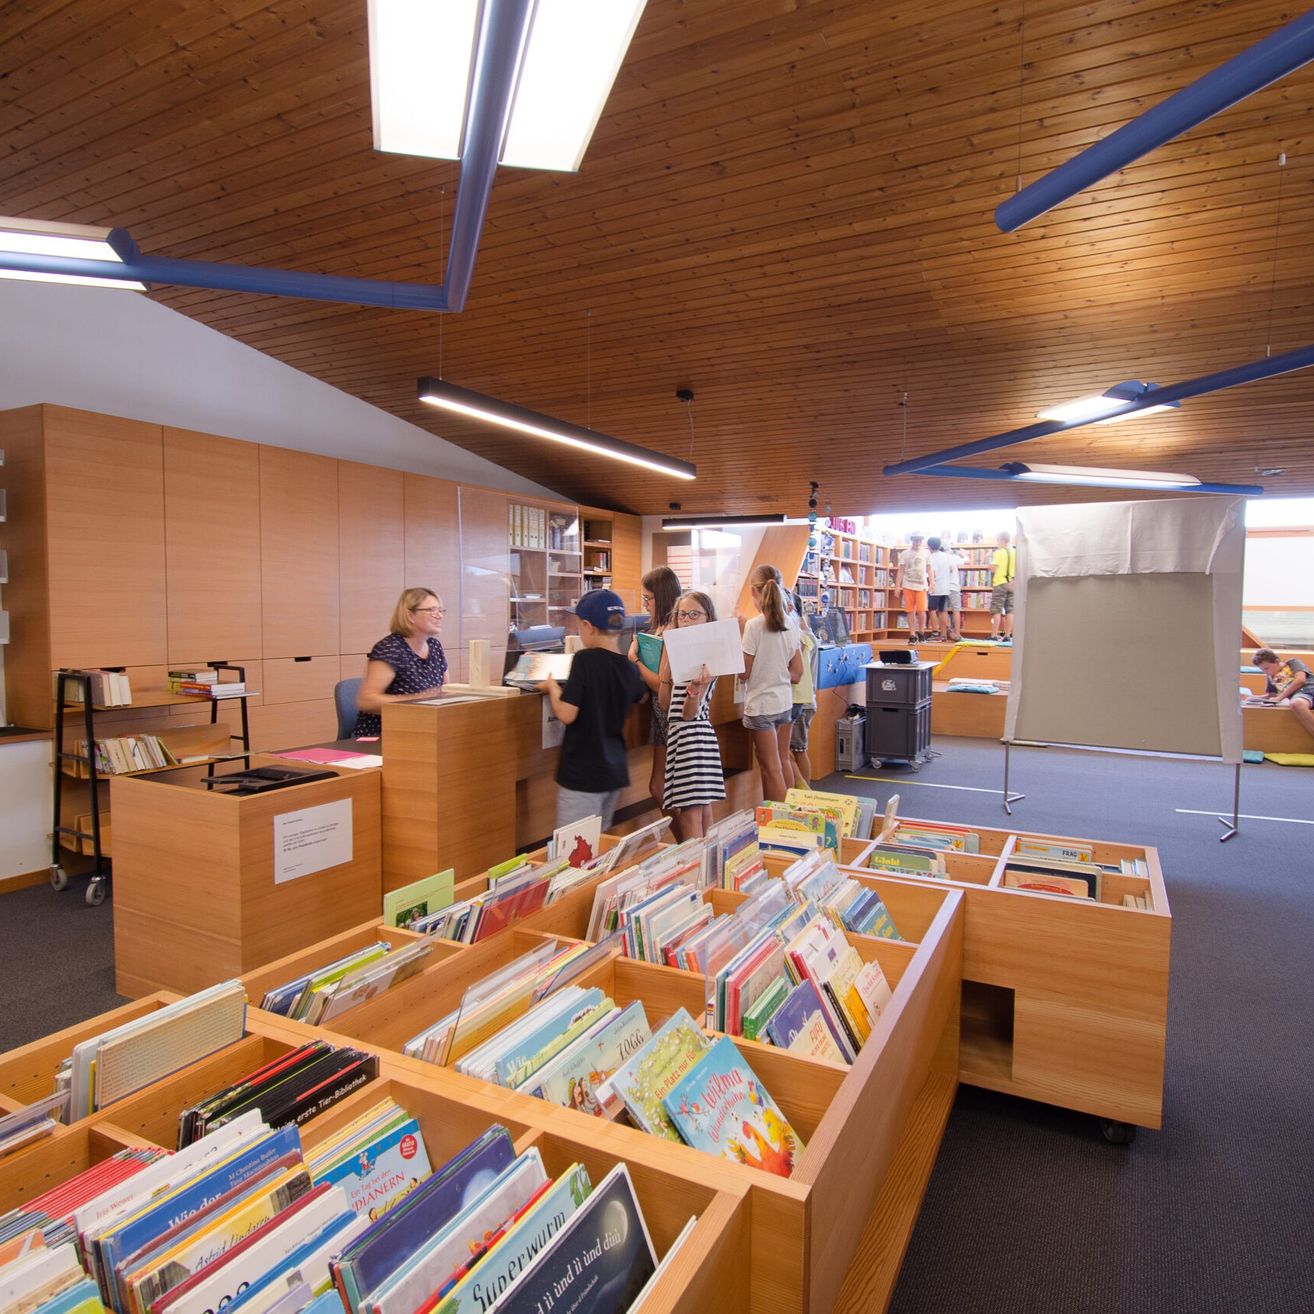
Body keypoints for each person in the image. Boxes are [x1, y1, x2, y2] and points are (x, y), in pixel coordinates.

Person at [539, 589, 645, 830]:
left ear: (588, 626)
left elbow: (567, 714)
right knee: (598, 842)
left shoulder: (584, 660)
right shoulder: (628, 668)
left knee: (573, 846)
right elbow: (641, 696)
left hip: (583, 772)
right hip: (613, 772)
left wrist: (552, 687)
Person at [657, 591, 726, 839]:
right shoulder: (681, 655)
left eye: (694, 614)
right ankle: (708, 860)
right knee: (703, 810)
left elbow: (688, 714)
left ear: (708, 619)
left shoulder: (706, 658)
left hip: (692, 737)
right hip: (684, 736)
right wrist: (666, 671)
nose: (686, 619)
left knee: (690, 813)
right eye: (682, 614)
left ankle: (696, 861)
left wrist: (696, 689)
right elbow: (665, 705)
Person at [742, 564, 803, 803]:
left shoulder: (753, 626)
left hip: (761, 705)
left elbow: (744, 673)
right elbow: (797, 670)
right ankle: (777, 813)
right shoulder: (791, 623)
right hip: (783, 703)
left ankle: (780, 818)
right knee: (780, 761)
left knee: (771, 768)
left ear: (754, 591)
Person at [352, 587, 448, 737]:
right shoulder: (390, 649)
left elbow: (445, 690)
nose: (439, 616)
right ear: (410, 615)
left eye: (440, 610)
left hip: (422, 729)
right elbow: (366, 701)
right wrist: (416, 699)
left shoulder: (435, 646)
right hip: (384, 734)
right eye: (431, 610)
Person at [628, 566, 682, 812]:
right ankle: (684, 835)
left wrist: (635, 661)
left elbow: (662, 684)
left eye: (648, 598)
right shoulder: (657, 630)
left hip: (672, 715)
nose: (645, 604)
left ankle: (688, 835)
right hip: (660, 715)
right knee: (658, 787)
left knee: (675, 792)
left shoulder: (673, 632)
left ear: (661, 597)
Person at [788, 590, 819, 787]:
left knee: (797, 751)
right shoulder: (809, 636)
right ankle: (803, 790)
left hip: (800, 699)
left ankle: (805, 791)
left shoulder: (800, 638)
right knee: (796, 750)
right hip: (808, 699)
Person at [1253, 648, 1314, 738]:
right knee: (1295, 703)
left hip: (1308, 689)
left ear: (1277, 661)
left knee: (1296, 703)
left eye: (1267, 668)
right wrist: (1253, 698)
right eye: (1263, 670)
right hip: (1299, 697)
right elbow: (1272, 695)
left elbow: (1300, 680)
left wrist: (1280, 697)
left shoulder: (1292, 663)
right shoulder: (1270, 677)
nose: (1266, 672)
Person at [894, 533, 932, 642]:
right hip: (908, 584)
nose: (918, 543)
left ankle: (921, 632)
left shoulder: (926, 553)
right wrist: (897, 586)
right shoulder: (905, 553)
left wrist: (932, 582)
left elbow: (929, 568)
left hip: (921, 585)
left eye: (920, 541)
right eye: (916, 540)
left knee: (922, 610)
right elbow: (901, 571)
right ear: (912, 541)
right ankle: (912, 634)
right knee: (910, 610)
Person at [925, 536, 963, 641]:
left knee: (937, 610)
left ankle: (941, 634)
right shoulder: (949, 557)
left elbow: (933, 573)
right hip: (951, 587)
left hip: (938, 587)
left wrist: (928, 578)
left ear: (929, 546)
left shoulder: (932, 557)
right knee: (954, 610)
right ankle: (956, 634)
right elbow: (963, 561)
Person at [990, 530, 1016, 643]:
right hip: (1012, 583)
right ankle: (1007, 635)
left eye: (997, 541)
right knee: (1010, 610)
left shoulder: (999, 553)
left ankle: (994, 635)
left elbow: (993, 568)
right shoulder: (1015, 552)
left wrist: (989, 564)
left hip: (1000, 583)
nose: (997, 543)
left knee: (997, 609)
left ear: (1001, 540)